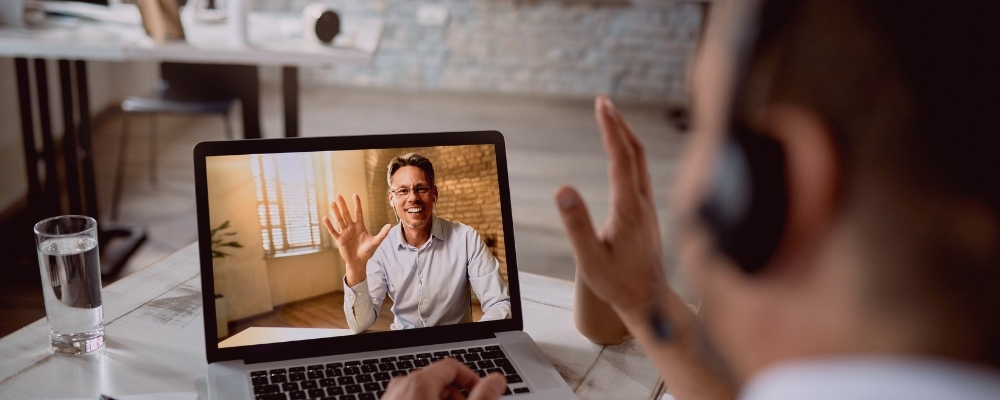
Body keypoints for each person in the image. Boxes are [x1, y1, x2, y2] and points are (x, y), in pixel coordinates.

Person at [380, 0, 1000, 399]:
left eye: (703, 121)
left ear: (774, 182)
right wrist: (643, 298)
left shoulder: (462, 241)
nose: (684, 187)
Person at [323, 153, 511, 334]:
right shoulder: (380, 248)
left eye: (421, 188)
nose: (413, 197)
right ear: (392, 198)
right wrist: (355, 267)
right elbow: (360, 325)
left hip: (456, 344)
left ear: (434, 194)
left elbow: (499, 303)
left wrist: (472, 340)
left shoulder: (466, 238)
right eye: (403, 191)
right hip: (403, 346)